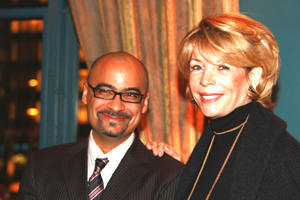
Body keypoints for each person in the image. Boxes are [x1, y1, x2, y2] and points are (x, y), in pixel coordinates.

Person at [148, 13, 300, 199]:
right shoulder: (213, 136)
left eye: (223, 67)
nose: (205, 80)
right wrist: (180, 174)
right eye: (197, 67)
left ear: (253, 76)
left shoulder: (281, 154)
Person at [17, 52, 184, 200]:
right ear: (85, 93)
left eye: (130, 95)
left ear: (144, 103)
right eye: (105, 91)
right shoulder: (40, 167)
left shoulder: (170, 175)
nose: (116, 106)